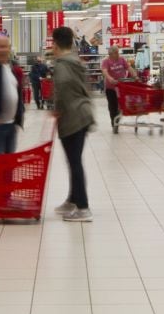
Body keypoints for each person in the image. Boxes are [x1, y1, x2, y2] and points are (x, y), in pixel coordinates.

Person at [50, 27, 96, 222]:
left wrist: (57, 108)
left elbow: (62, 86)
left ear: (55, 44)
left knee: (74, 162)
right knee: (73, 160)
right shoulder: (76, 61)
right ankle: (72, 200)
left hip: (72, 117)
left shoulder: (61, 65)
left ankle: (83, 207)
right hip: (83, 113)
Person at [101, 46, 138, 129]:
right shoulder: (106, 61)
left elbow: (129, 68)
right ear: (111, 54)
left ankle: (117, 119)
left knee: (121, 105)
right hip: (110, 88)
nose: (118, 54)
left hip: (121, 87)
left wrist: (135, 75)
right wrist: (110, 78)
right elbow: (105, 71)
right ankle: (114, 123)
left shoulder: (122, 59)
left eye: (118, 52)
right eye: (116, 53)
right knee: (112, 106)